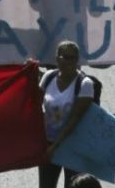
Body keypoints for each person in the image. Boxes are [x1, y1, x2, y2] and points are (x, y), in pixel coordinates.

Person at [39, 40, 94, 188]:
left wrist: (55, 146)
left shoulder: (85, 84)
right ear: (57, 58)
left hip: (72, 145)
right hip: (48, 143)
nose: (72, 62)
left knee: (73, 186)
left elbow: (74, 120)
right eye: (67, 57)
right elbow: (34, 106)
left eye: (74, 58)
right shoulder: (48, 77)